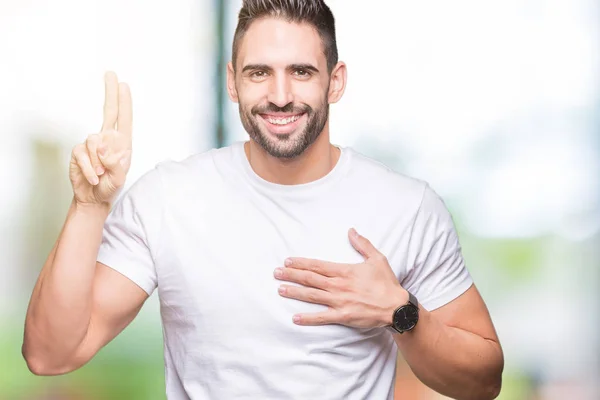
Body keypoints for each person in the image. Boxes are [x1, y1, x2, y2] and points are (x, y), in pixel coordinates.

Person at [22, 1, 504, 399]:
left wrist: (401, 313)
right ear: (232, 81)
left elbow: (483, 381)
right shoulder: (167, 199)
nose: (279, 94)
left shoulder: (407, 207)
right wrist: (89, 205)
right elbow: (50, 354)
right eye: (259, 73)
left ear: (334, 81)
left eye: (300, 71)